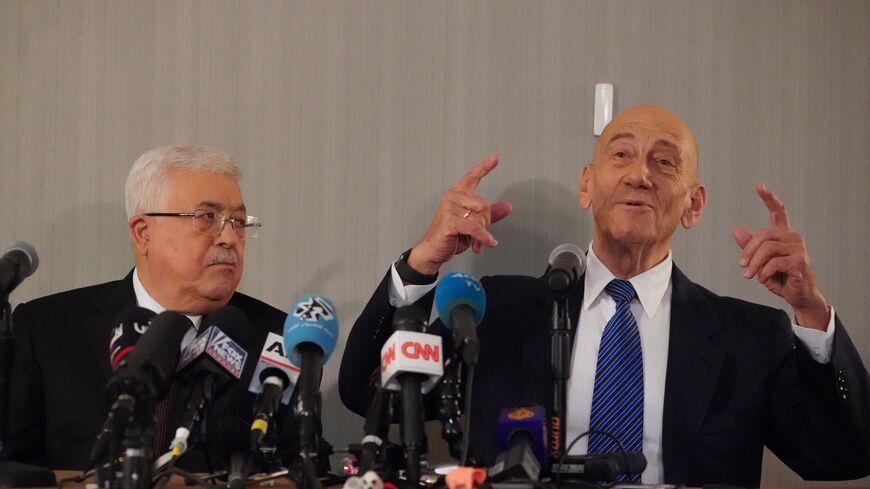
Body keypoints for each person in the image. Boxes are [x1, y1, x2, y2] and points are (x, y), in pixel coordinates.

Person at [339, 105, 870, 487]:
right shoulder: (495, 312)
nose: (640, 174)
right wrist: (421, 264)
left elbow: (842, 459)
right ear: (588, 185)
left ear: (694, 203)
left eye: (664, 163)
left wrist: (811, 311)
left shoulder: (752, 337)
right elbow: (369, 396)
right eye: (622, 155)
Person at [8, 145, 295, 470]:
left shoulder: (279, 338)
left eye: (239, 222)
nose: (229, 238)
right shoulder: (47, 328)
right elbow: (15, 465)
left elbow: (297, 465)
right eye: (207, 218)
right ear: (143, 232)